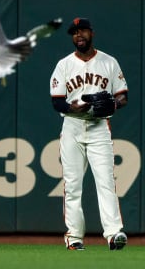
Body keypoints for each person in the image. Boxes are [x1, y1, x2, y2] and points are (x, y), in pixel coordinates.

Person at [49, 17, 129, 251]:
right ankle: (74, 237)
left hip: (99, 127)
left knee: (106, 182)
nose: (78, 35)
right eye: (74, 32)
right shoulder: (64, 65)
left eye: (82, 30)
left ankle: (114, 234)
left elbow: (123, 96)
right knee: (73, 185)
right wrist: (72, 107)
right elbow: (56, 102)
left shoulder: (109, 62)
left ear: (91, 33)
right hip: (72, 126)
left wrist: (113, 103)